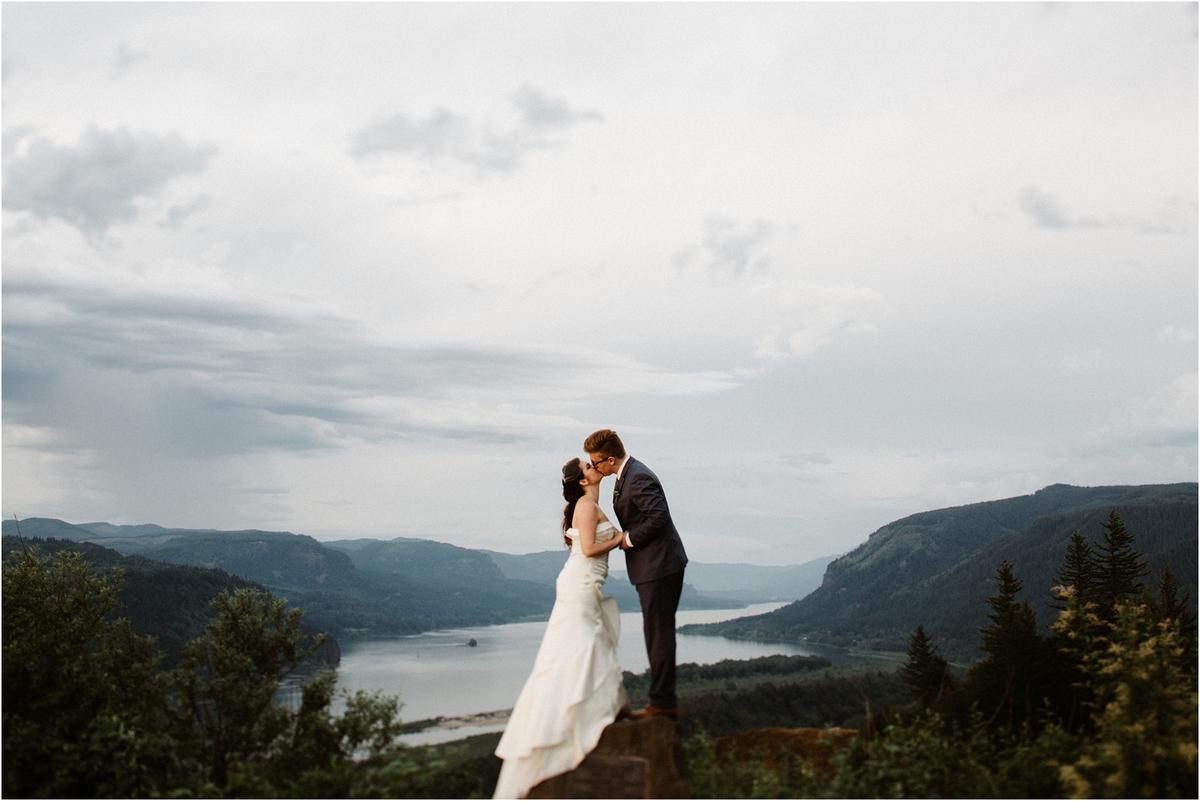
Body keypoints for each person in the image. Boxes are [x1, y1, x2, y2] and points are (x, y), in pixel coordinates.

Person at [492, 457, 629, 799]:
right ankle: (579, 719)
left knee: (583, 644)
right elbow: (589, 548)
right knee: (584, 643)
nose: (593, 466)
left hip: (584, 584)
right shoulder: (584, 505)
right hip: (580, 585)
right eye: (587, 466)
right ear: (583, 481)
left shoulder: (588, 503)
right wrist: (622, 539)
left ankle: (594, 712)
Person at [584, 428, 688, 719]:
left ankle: (663, 705)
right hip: (653, 566)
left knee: (659, 635)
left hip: (659, 566)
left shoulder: (638, 477)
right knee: (656, 633)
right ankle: (662, 701)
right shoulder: (626, 475)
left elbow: (659, 518)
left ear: (610, 459)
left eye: (595, 462)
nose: (593, 467)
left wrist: (626, 540)